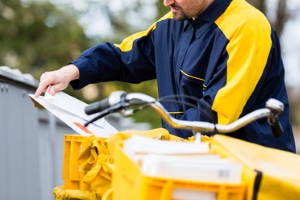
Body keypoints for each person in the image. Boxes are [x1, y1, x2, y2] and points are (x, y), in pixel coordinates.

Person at [35, 0, 296, 153]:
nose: (166, 2)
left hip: (254, 174)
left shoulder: (248, 27)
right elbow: (125, 56)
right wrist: (71, 71)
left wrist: (140, 143)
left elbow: (212, 119)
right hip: (191, 165)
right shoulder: (173, 23)